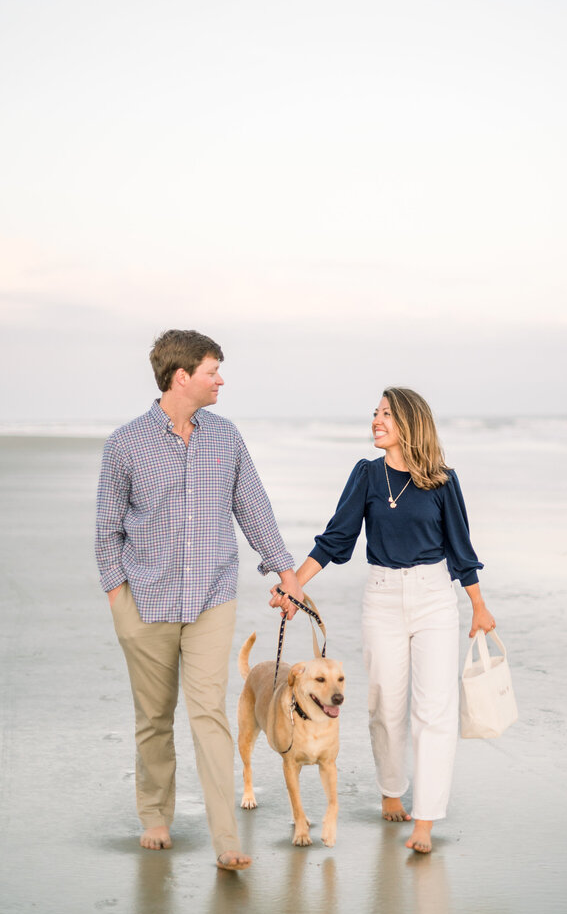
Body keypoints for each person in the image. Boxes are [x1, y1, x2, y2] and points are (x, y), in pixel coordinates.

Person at [96, 329, 301, 871]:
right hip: (143, 603)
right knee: (154, 717)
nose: (221, 380)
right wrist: (118, 596)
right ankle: (155, 816)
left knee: (209, 714)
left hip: (212, 599)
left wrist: (286, 573)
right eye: (213, 370)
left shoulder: (226, 438)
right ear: (181, 376)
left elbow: (254, 507)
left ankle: (226, 841)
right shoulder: (125, 443)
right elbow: (106, 531)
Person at [271, 387, 495, 854]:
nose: (376, 420)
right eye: (375, 413)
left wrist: (477, 604)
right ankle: (391, 788)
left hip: (435, 596)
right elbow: (336, 539)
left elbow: (461, 547)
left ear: (410, 423)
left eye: (387, 414)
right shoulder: (368, 475)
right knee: (383, 704)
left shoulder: (443, 480)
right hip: (382, 595)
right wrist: (295, 586)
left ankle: (426, 820)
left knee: (434, 710)